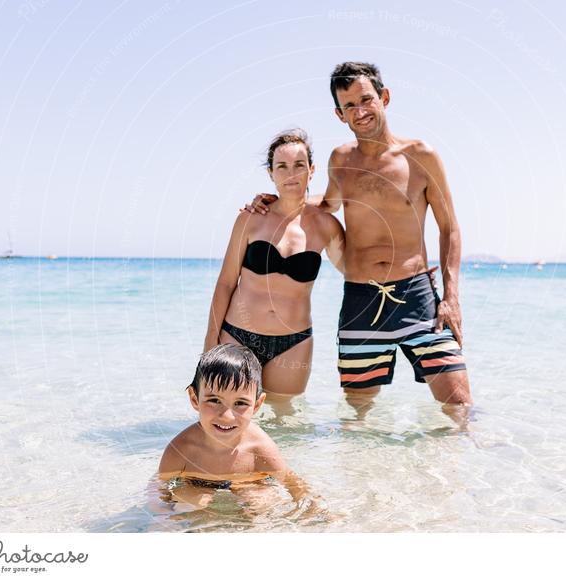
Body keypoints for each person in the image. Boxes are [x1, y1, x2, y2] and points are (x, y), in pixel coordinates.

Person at [247, 62, 472, 413]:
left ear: (384, 97)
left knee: (459, 405)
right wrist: (281, 198)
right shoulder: (341, 160)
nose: (360, 111)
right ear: (339, 115)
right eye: (349, 105)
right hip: (360, 301)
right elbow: (327, 204)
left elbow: (450, 228)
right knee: (358, 415)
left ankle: (460, 465)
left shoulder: (421, 156)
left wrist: (452, 296)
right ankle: (362, 471)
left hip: (418, 297)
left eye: (366, 99)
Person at [204, 129, 344, 396]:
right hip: (237, 335)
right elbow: (225, 283)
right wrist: (211, 341)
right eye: (282, 166)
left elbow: (355, 272)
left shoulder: (327, 226)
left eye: (298, 165)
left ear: (311, 170)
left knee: (287, 428)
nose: (291, 174)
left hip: (294, 344)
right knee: (228, 417)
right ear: (271, 173)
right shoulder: (251, 218)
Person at [158, 344, 320, 512]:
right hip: (196, 484)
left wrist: (316, 508)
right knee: (187, 505)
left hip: (250, 483)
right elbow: (159, 486)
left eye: (240, 403)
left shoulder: (259, 447)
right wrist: (160, 518)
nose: (227, 416)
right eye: (214, 400)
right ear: (194, 398)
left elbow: (291, 481)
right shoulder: (181, 449)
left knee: (263, 503)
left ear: (257, 405)